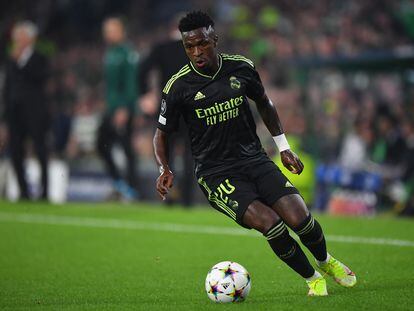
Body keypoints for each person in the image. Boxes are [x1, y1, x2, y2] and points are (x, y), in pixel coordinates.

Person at [153, 11, 356, 296]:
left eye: (202, 44)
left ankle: (325, 262)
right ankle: (312, 279)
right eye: (190, 47)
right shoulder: (177, 87)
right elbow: (161, 132)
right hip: (216, 174)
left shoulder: (241, 67)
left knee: (301, 219)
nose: (197, 52)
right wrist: (164, 168)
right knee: (271, 224)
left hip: (254, 159)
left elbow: (264, 102)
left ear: (215, 39)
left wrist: (283, 147)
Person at [140, 15, 195, 206]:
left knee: (165, 155)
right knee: (190, 155)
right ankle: (187, 200)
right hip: (190, 110)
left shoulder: (161, 48)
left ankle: (168, 195)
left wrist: (145, 94)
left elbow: (142, 70)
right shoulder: (194, 49)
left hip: (168, 108)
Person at [3, 21, 49, 200]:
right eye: (16, 37)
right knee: (15, 151)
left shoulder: (40, 58)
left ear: (31, 39)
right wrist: (4, 117)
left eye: (21, 36)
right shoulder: (10, 59)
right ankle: (23, 191)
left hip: (35, 112)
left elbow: (41, 80)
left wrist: (20, 61)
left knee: (40, 149)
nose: (17, 40)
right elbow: (7, 88)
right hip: (14, 113)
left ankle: (45, 191)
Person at [98, 17, 139, 200]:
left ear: (121, 31)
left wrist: (125, 108)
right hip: (111, 108)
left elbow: (131, 83)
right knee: (101, 144)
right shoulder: (110, 52)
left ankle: (131, 189)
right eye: (106, 30)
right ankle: (120, 183)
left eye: (111, 29)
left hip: (123, 109)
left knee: (126, 147)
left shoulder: (127, 53)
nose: (107, 33)